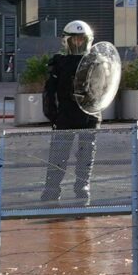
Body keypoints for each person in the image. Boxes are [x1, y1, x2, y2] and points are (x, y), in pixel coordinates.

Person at [39, 19, 103, 206]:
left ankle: (82, 186)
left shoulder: (95, 61)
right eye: (73, 39)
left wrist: (95, 109)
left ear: (87, 40)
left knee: (86, 153)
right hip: (66, 112)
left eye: (81, 39)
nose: (77, 43)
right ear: (67, 41)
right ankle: (52, 188)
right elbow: (49, 90)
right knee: (58, 153)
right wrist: (52, 113)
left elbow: (101, 87)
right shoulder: (59, 62)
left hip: (89, 113)